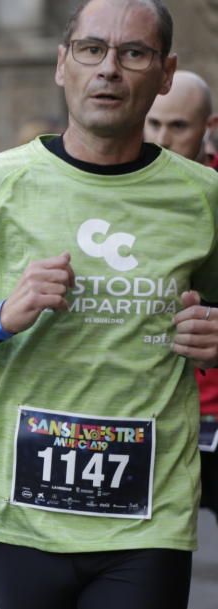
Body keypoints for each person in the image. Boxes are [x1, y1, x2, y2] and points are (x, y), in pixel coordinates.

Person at [0, 2, 218, 609]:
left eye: (133, 54)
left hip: (148, 515)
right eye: (92, 50)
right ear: (62, 63)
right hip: (26, 515)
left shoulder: (203, 197)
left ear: (165, 73)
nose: (109, 70)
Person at [144, 70, 218, 526]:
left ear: (208, 127)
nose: (162, 138)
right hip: (149, 410)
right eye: (153, 124)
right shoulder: (118, 188)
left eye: (178, 126)